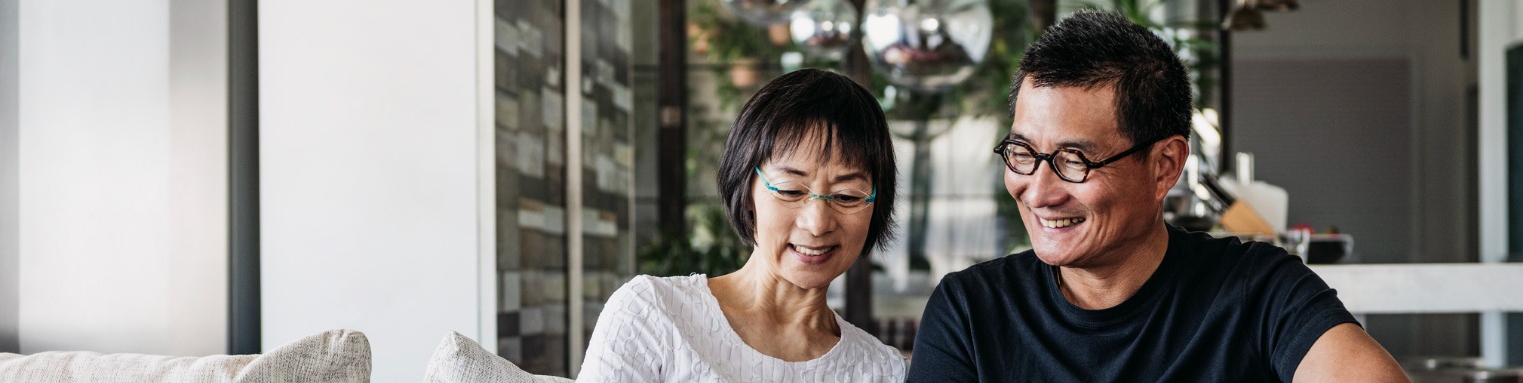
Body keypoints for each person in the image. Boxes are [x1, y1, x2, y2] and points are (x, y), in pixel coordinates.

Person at [907, 11, 1409, 382]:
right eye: (1022, 152)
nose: (1038, 191)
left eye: (1074, 161)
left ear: (1164, 165)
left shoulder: (1257, 291)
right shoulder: (971, 311)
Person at [578, 69, 905, 382]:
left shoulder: (883, 370)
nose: (817, 223)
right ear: (747, 190)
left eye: (847, 196)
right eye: (791, 190)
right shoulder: (652, 313)